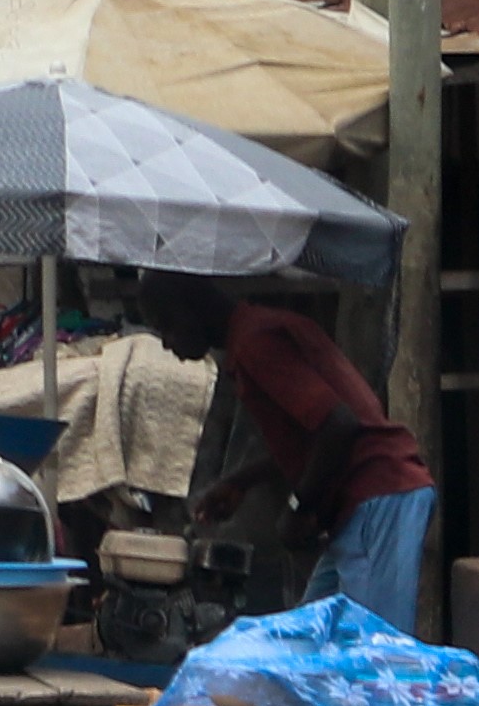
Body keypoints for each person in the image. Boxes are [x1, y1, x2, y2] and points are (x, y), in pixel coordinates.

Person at [149, 271, 438, 632]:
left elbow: (339, 426)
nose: (166, 343)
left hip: (378, 492)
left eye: (166, 326)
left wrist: (297, 509)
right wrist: (241, 481)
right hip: (358, 506)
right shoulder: (256, 332)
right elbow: (313, 435)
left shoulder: (256, 343)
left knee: (377, 653)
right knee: (308, 641)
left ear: (190, 309)